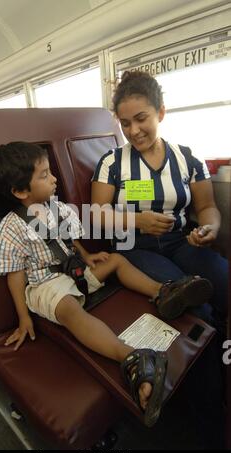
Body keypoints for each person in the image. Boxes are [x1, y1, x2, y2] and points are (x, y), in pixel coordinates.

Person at [0, 141, 212, 428]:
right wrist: (22, 317)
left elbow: (69, 240)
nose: (53, 178)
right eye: (44, 175)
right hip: (46, 284)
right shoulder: (11, 227)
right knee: (69, 309)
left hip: (74, 270)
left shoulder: (55, 207)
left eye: (50, 171)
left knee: (116, 260)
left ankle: (163, 292)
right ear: (20, 192)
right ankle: (130, 356)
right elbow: (15, 274)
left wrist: (87, 256)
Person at [91, 71, 228, 331]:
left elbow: (207, 207)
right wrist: (136, 220)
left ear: (161, 113)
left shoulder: (188, 159)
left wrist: (209, 229)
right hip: (135, 248)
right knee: (197, 306)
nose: (133, 131)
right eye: (125, 123)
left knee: (224, 281)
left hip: (181, 242)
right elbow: (96, 213)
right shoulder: (112, 162)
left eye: (141, 119)